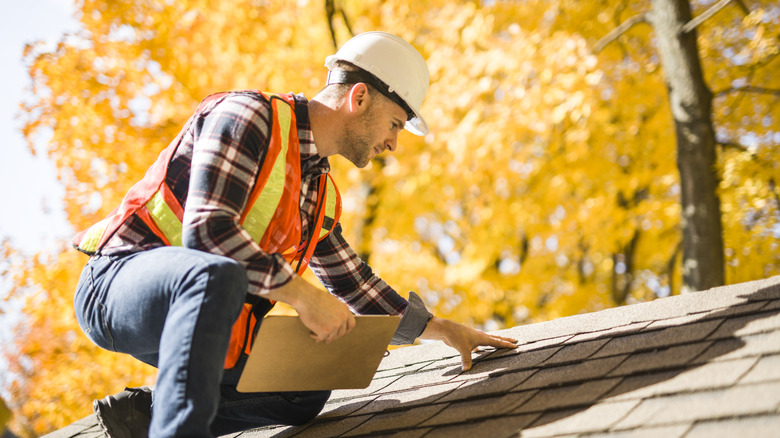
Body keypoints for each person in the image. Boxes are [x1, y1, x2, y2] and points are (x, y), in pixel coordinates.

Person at [71, 31, 517, 437]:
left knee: (306, 386)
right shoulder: (248, 116)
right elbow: (208, 234)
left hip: (207, 315)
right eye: (396, 124)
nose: (394, 144)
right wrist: (304, 297)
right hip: (117, 285)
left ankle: (143, 419)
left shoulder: (318, 193)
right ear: (359, 98)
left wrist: (442, 330)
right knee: (215, 273)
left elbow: (352, 284)